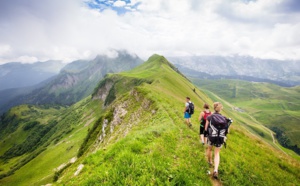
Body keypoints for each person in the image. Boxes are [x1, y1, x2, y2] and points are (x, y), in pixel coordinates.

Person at [205, 102, 228, 179]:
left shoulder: (210, 117)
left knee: (209, 149)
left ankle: (209, 161)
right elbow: (227, 131)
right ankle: (215, 170)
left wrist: (207, 134)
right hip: (220, 138)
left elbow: (206, 128)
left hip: (211, 137)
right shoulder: (224, 118)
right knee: (217, 153)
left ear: (214, 108)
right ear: (221, 109)